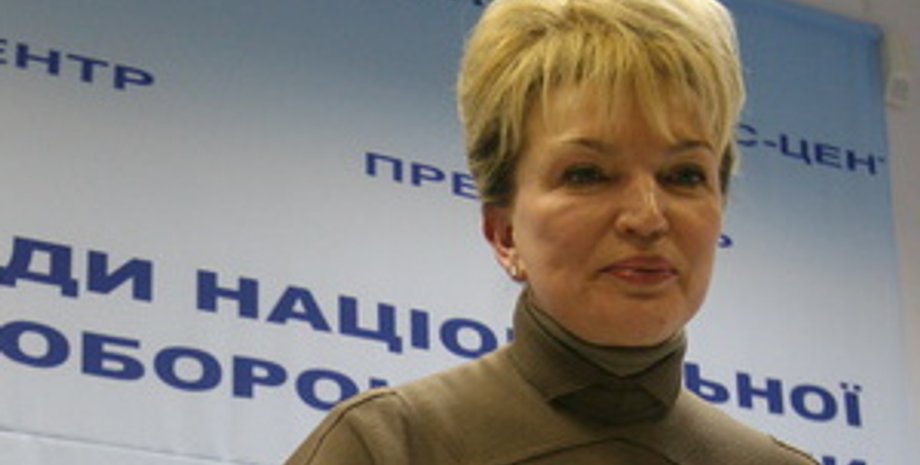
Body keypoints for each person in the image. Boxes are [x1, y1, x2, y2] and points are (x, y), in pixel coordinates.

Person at [285, 0, 820, 463]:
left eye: (683, 175)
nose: (647, 217)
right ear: (504, 233)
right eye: (587, 174)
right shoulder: (387, 446)